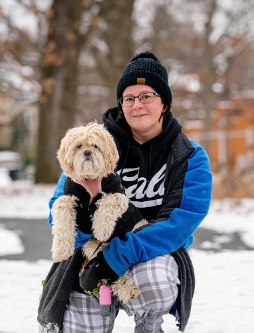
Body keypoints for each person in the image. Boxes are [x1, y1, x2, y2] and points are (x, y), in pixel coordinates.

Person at [38, 51, 213, 333]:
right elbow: (59, 207)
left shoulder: (189, 156)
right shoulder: (95, 144)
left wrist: (117, 256)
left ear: (164, 103)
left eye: (147, 96)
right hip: (89, 254)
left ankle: (149, 327)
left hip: (152, 251)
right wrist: (90, 247)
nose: (137, 105)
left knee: (156, 283)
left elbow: (180, 222)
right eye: (129, 98)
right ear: (121, 104)